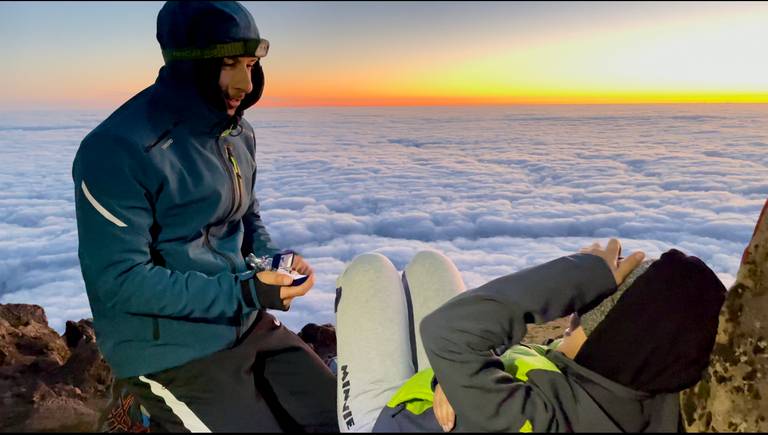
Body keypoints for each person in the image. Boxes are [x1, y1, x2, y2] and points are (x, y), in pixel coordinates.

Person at [72, 1, 337, 432]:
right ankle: (139, 409)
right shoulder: (117, 149)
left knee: (342, 421)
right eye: (228, 64)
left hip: (246, 324)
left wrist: (273, 262)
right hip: (169, 352)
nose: (244, 84)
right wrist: (248, 291)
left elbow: (246, 219)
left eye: (250, 64)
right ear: (186, 65)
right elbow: (121, 282)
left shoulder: (236, 132)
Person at [335, 239, 726, 432]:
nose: (574, 313)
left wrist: (579, 275)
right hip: (450, 392)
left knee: (368, 270)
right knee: (430, 264)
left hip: (389, 422)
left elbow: (445, 332)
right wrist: (456, 380)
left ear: (609, 335)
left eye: (587, 309)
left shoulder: (546, 418)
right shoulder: (632, 388)